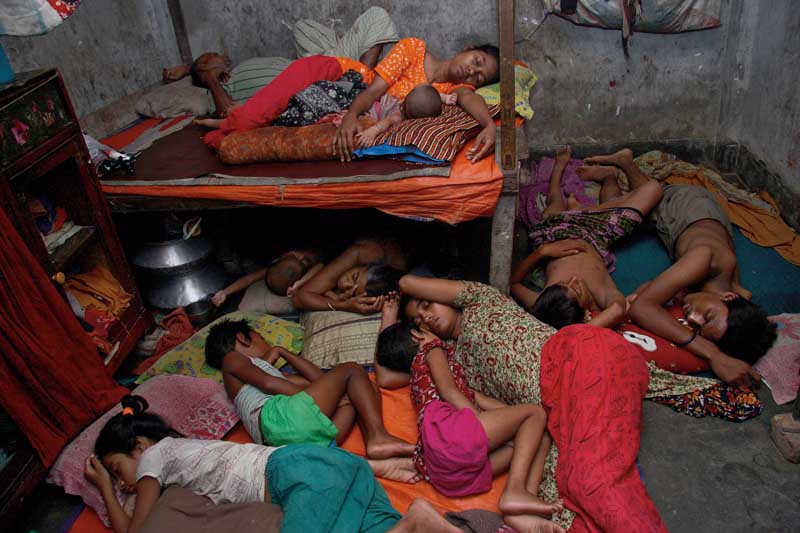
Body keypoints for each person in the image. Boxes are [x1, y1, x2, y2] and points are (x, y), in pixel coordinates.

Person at [83, 395, 462, 533]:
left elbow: (136, 529)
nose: (125, 485)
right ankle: (417, 523)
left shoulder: (152, 458)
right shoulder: (183, 450)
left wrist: (104, 489)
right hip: (332, 466)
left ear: (136, 446)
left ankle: (416, 518)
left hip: (293, 473)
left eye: (118, 472)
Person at [574, 147, 780, 386]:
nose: (692, 317)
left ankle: (626, 162)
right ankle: (610, 175)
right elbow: (641, 307)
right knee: (620, 215)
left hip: (703, 222)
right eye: (708, 315)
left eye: (699, 328)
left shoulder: (739, 299)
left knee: (649, 204)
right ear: (728, 296)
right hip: (689, 208)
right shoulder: (704, 258)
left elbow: (654, 290)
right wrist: (712, 354)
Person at [377, 317, 563, 527]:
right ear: (417, 335)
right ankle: (516, 491)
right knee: (536, 413)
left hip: (442, 472)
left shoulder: (418, 380)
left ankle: (524, 510)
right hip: (452, 434)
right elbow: (450, 391)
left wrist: (513, 420)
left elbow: (477, 398)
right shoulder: (431, 348)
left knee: (533, 437)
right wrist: (476, 417)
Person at [204, 319, 416, 473]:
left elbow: (319, 379)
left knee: (359, 389)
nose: (266, 343)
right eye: (262, 339)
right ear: (242, 338)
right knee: (351, 370)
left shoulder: (263, 378)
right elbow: (270, 384)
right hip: (281, 420)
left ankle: (375, 446)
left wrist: (283, 352)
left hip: (299, 441)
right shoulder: (231, 359)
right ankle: (378, 437)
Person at [510, 146, 663, 330]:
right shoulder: (603, 296)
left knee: (553, 206)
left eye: (564, 284)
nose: (574, 280)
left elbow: (513, 283)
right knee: (653, 189)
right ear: (583, 314)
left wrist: (543, 252)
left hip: (554, 232)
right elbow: (616, 310)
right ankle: (604, 182)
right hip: (595, 233)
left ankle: (559, 169)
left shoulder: (544, 303)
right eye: (576, 290)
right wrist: (577, 331)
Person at [164, 7, 399, 118]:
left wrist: (188, 69)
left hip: (312, 61)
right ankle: (361, 81)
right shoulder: (219, 90)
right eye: (212, 56)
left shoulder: (233, 71)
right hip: (315, 76)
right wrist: (208, 77)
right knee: (376, 16)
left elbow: (209, 65)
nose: (220, 55)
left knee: (302, 28)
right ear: (206, 69)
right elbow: (225, 111)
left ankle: (351, 64)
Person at [333, 38, 500, 163]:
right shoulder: (413, 49)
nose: (472, 70)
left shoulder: (452, 90)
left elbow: (470, 98)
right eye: (477, 61)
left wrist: (489, 125)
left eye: (478, 77)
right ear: (468, 49)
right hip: (339, 73)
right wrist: (351, 115)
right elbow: (373, 92)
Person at [292, 237, 407, 314]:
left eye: (353, 293)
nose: (344, 285)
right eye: (354, 277)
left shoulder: (392, 280)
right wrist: (343, 305)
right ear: (364, 265)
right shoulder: (363, 253)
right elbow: (299, 298)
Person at [211, 249, 321, 307]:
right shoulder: (312, 267)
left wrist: (224, 292)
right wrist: (225, 292)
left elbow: (249, 279)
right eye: (303, 261)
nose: (301, 256)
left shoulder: (282, 263)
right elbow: (320, 266)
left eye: (295, 255)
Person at [356, 83, 457, 146]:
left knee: (364, 121)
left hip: (376, 110)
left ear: (402, 106)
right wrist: (445, 98)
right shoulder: (417, 104)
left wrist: (373, 131)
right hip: (383, 101)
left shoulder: (397, 116)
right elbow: (431, 97)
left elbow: (386, 122)